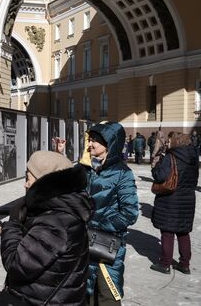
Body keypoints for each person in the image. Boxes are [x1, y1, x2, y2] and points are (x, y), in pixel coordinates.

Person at [0, 151, 93, 305]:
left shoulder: (54, 224)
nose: (25, 184)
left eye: (28, 178)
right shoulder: (64, 211)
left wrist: (13, 225)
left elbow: (15, 265)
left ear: (42, 182)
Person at [82, 122, 139, 305]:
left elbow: (130, 213)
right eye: (89, 140)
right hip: (85, 246)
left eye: (94, 141)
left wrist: (98, 224)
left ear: (109, 144)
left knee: (108, 297)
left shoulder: (123, 174)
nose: (90, 144)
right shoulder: (90, 169)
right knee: (87, 296)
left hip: (107, 247)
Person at [150, 132, 199, 274]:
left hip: (170, 199)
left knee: (167, 231)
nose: (168, 143)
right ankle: (185, 264)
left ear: (177, 142)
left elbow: (159, 176)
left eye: (170, 141)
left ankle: (165, 263)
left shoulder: (171, 157)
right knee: (183, 232)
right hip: (188, 199)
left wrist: (158, 163)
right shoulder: (193, 158)